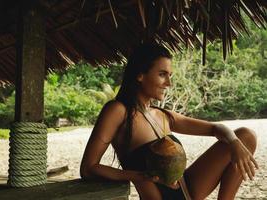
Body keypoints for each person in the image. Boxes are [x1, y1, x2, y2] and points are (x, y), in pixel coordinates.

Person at [80, 44, 258, 200]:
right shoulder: (118, 111)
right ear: (140, 75)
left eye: (170, 75)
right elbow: (89, 168)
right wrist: (139, 176)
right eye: (162, 74)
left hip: (189, 191)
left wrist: (234, 143)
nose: (169, 83)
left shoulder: (162, 115)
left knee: (246, 136)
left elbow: (215, 128)